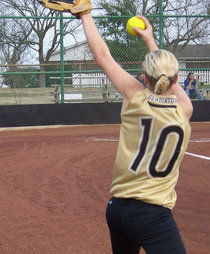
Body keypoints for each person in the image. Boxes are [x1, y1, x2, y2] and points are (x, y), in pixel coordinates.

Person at [80, 12, 192, 254]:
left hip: (117, 209)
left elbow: (102, 56)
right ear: (176, 79)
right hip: (152, 214)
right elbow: (170, 82)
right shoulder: (184, 109)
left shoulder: (134, 97)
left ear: (144, 77)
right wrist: (150, 40)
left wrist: (85, 14)